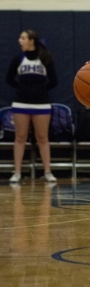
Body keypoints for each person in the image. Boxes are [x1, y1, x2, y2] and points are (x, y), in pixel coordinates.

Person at [5, 30, 58, 183]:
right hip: (20, 103)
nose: (19, 41)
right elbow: (9, 79)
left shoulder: (45, 59)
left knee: (42, 138)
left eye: (22, 38)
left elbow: (54, 81)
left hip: (41, 104)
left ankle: (47, 172)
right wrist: (23, 90)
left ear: (31, 40)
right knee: (20, 138)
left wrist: (39, 91)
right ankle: (17, 173)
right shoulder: (18, 58)